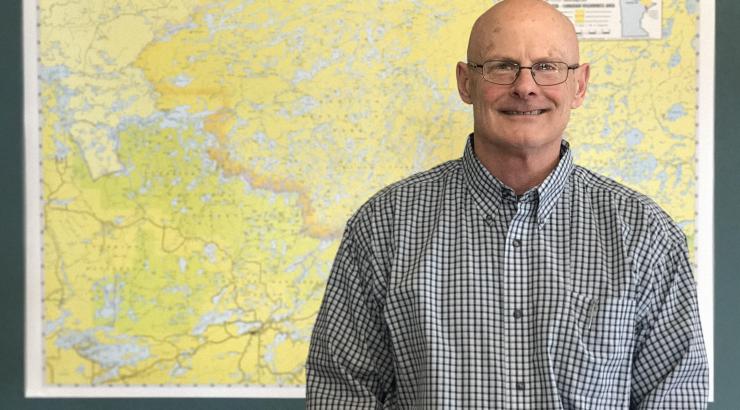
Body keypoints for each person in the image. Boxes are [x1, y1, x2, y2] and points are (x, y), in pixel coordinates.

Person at [306, 0, 709, 408]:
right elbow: (342, 392)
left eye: (548, 67)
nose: (525, 86)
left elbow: (674, 396)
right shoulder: (385, 225)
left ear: (580, 84)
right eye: (502, 66)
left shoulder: (644, 233)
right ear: (466, 82)